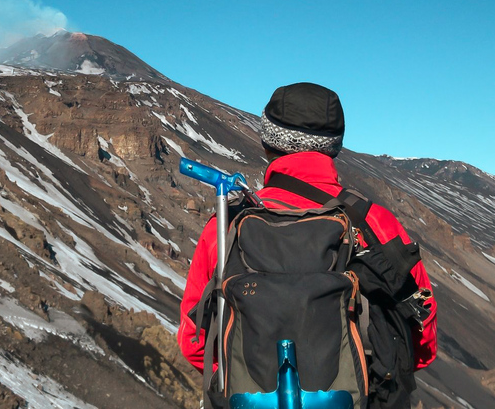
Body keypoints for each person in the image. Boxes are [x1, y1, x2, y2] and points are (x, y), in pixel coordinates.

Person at [177, 82, 437, 384]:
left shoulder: (227, 225)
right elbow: (421, 338)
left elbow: (194, 341)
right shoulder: (375, 223)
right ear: (334, 147)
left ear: (266, 142)